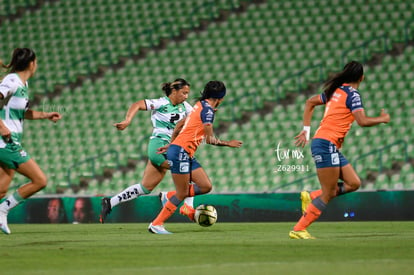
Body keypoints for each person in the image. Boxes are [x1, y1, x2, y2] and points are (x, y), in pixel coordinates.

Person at [289, 61, 390, 239]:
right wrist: (382, 118)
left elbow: (309, 102)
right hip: (326, 144)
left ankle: (312, 196)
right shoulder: (353, 94)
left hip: (328, 144)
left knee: (354, 183)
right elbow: (362, 121)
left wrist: (306, 131)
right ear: (361, 77)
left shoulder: (336, 91)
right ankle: (298, 229)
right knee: (329, 193)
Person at [148, 80, 243, 234]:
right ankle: (156, 224)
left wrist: (172, 144)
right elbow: (210, 139)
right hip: (180, 152)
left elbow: (179, 125)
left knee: (205, 186)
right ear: (221, 98)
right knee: (182, 193)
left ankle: (169, 196)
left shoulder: (199, 105)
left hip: (182, 151)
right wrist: (228, 143)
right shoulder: (208, 112)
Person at [99, 78, 195, 223]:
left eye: (187, 93)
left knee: (145, 187)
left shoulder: (185, 106)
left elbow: (196, 117)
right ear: (174, 91)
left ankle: (111, 202)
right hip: (159, 145)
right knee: (188, 170)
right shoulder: (162, 103)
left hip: (170, 148)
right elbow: (137, 104)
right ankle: (186, 206)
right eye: (183, 93)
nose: (186, 96)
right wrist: (127, 120)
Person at [0, 48, 62, 234]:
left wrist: (45, 115)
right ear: (31, 63)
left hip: (10, 140)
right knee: (40, 180)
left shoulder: (22, 84)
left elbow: (20, 113)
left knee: (2, 188)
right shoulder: (11, 80)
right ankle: (3, 210)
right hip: (6, 142)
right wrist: (2, 128)